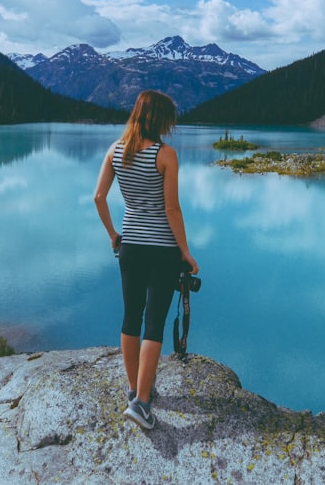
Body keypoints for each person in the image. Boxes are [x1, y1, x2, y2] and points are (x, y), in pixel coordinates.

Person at [94, 90, 199, 431]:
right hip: (162, 250)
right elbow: (171, 209)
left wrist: (113, 234)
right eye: (169, 119)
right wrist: (185, 252)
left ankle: (134, 391)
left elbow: (99, 197)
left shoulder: (116, 150)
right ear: (160, 119)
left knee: (130, 316)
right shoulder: (165, 155)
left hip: (131, 247)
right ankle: (142, 403)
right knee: (154, 321)